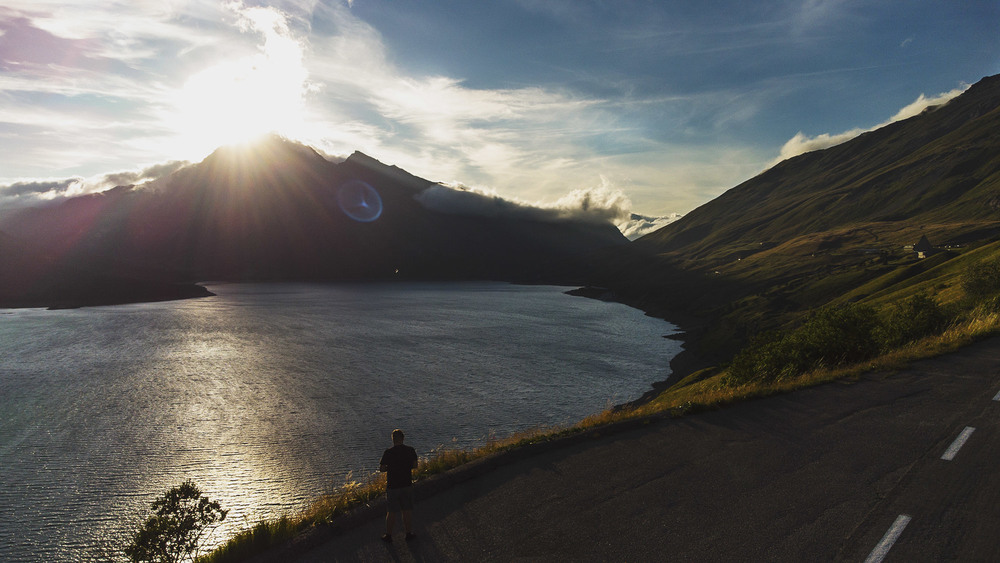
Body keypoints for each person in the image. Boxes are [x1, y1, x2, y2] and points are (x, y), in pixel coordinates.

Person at [379, 428, 418, 542]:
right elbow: (415, 465)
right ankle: (408, 533)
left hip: (393, 486)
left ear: (393, 439)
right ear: (403, 438)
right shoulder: (410, 450)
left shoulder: (388, 452)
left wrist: (389, 467)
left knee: (391, 511)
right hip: (406, 484)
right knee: (406, 510)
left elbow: (382, 469)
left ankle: (389, 535)